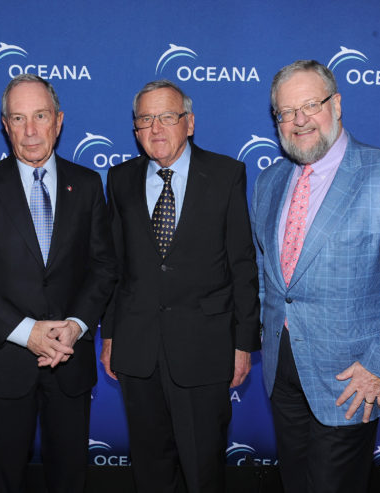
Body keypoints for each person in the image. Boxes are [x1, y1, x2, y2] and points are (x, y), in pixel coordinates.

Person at [251, 60, 380, 493]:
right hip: (283, 370)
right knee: (295, 482)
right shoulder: (269, 181)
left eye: (310, 105)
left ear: (336, 104)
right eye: (285, 112)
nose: (299, 121)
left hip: (352, 378)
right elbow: (268, 272)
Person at [0, 73, 117, 493]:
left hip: (70, 360)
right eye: (18, 118)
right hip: (4, 364)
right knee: (7, 479)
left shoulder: (89, 184)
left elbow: (102, 266)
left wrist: (76, 325)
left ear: (58, 121)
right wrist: (28, 333)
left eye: (40, 116)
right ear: (5, 125)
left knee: (70, 478)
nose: (30, 131)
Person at [100, 80, 260, 493]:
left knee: (202, 468)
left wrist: (243, 344)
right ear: (135, 129)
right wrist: (111, 334)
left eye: (167, 117)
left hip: (205, 349)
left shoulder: (227, 174)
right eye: (145, 119)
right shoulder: (118, 180)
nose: (156, 128)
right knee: (150, 469)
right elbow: (115, 265)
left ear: (189, 123)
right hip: (138, 349)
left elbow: (242, 264)